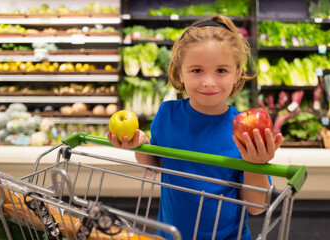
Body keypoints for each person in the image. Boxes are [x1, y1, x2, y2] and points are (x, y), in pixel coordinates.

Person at [107, 14, 283, 240]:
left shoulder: (244, 131)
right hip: (171, 236)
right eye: (197, 70)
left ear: (237, 72)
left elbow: (256, 207)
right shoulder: (166, 114)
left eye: (221, 71)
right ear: (180, 72)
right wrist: (140, 146)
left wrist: (255, 164)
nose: (209, 82)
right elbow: (158, 166)